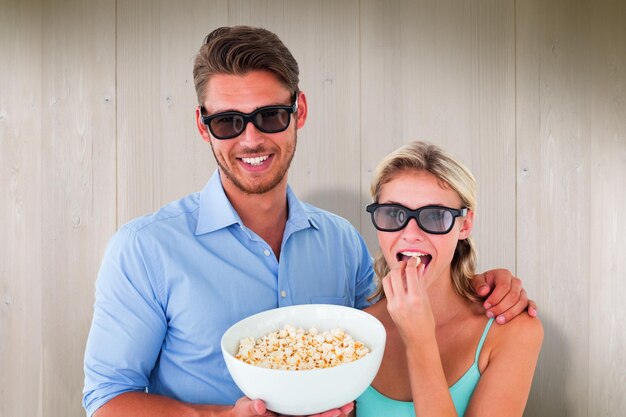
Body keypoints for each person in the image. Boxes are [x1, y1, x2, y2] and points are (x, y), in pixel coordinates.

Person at [82, 26, 535, 417]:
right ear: (203, 127)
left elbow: (380, 343)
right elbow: (105, 400)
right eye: (227, 123)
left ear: (299, 111)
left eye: (270, 115)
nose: (251, 138)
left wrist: (482, 283)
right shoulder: (145, 248)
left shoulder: (342, 243)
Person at [355, 141, 543, 416]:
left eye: (434, 216)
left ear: (464, 224)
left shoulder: (512, 329)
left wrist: (420, 341)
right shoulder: (353, 332)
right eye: (394, 213)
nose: (411, 233)